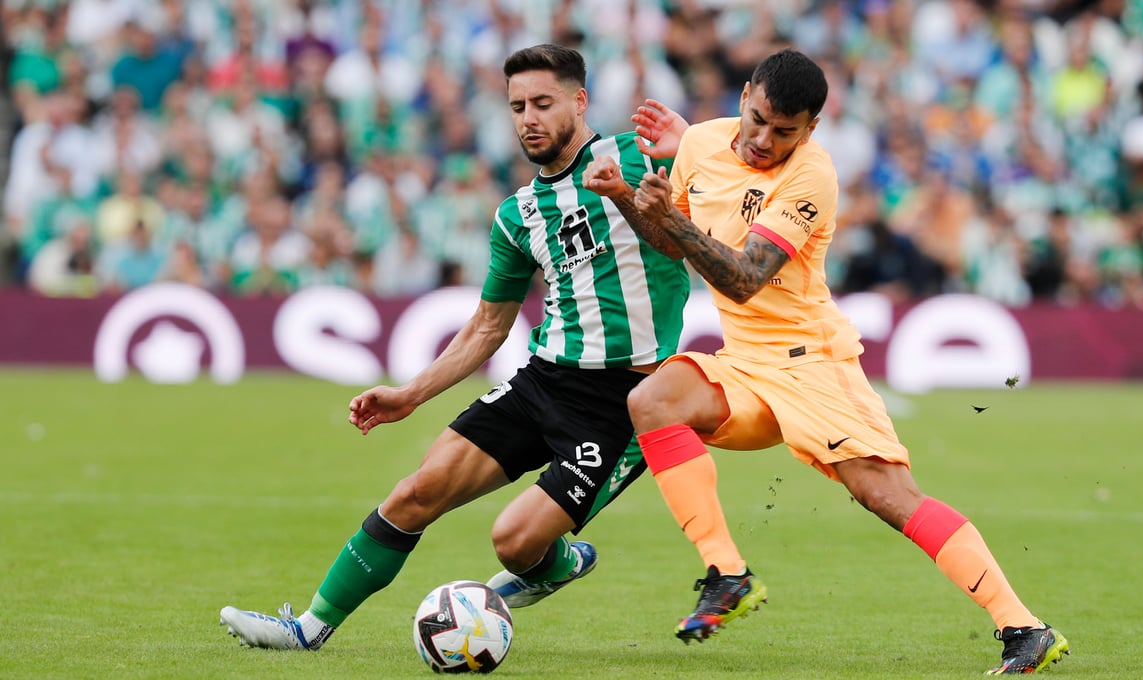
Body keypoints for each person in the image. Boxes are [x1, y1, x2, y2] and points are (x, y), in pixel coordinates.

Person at [583, 49, 1069, 675]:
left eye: (785, 131)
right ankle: (727, 574)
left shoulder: (813, 174)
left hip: (812, 363)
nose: (764, 139)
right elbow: (668, 240)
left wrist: (669, 218)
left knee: (886, 495)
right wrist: (626, 196)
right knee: (653, 400)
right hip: (745, 363)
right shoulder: (700, 144)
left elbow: (744, 280)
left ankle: (1024, 626)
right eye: (758, 120)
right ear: (744, 97)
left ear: (810, 129)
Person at [218, 43, 690, 650]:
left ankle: (557, 563)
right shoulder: (519, 214)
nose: (529, 119)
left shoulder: (642, 156)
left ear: (580, 101)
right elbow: (488, 326)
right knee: (416, 491)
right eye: (517, 106)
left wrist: (655, 173)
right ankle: (307, 629)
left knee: (514, 543)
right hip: (545, 379)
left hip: (625, 402)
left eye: (543, 103)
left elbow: (695, 231)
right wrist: (410, 394)